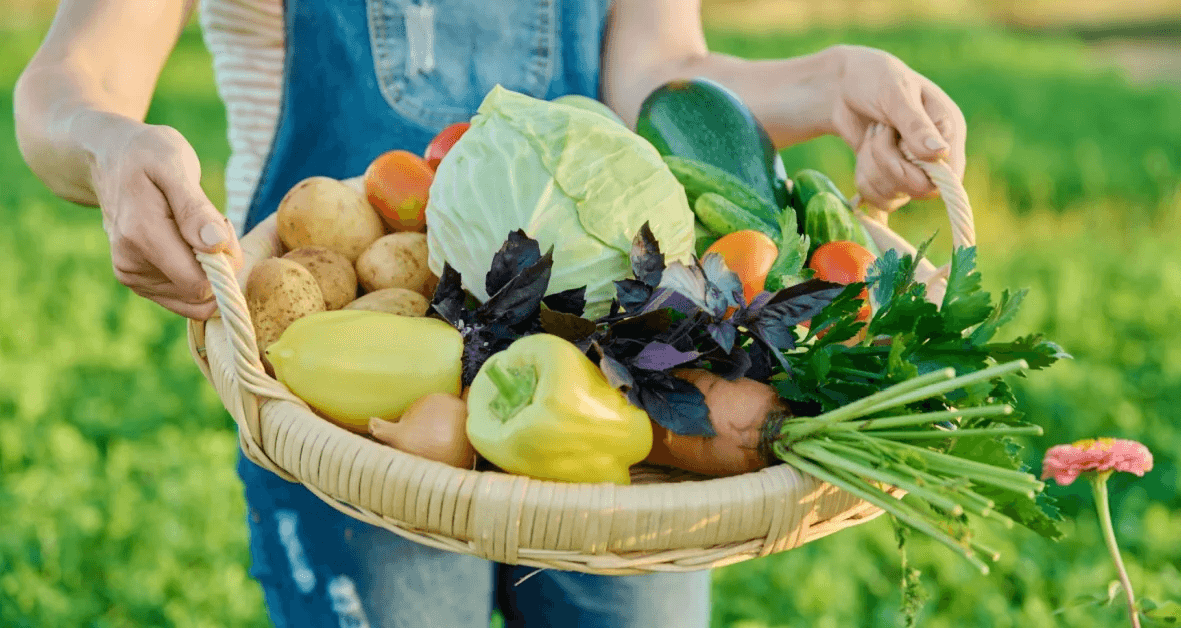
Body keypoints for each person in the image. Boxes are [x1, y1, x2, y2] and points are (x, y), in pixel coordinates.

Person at [14, 1, 967, 626]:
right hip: (361, 413)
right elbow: (67, 84)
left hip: (617, 393)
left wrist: (831, 83)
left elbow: (658, 70)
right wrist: (106, 145)